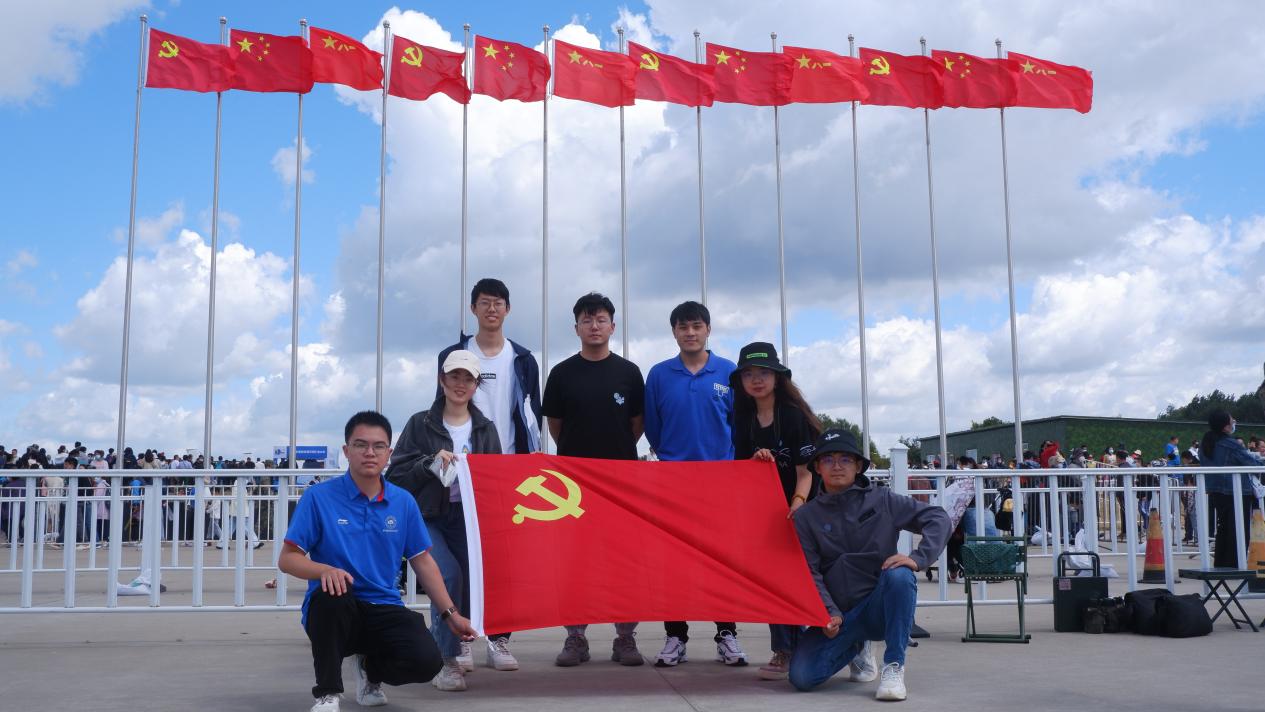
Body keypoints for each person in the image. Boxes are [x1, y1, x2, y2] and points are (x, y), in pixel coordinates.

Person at [279, 410, 475, 712]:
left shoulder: (403, 502)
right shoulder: (318, 497)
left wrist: (451, 615)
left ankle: (371, 671)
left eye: (378, 446)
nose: (369, 453)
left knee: (427, 662)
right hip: (335, 608)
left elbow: (423, 561)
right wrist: (324, 570)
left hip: (384, 605)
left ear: (389, 454)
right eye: (360, 445)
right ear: (346, 451)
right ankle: (328, 693)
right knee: (332, 597)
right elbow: (288, 559)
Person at [790, 429, 950, 701]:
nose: (837, 466)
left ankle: (894, 665)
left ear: (858, 466)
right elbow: (809, 571)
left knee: (900, 575)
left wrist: (918, 559)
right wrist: (829, 612)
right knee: (802, 677)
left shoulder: (883, 499)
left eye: (845, 459)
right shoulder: (806, 517)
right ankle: (857, 647)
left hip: (878, 607)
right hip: (840, 616)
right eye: (828, 459)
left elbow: (938, 518)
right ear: (817, 467)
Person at [434, 278, 541, 669]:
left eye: (498, 303)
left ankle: (499, 639)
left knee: (503, 562)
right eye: (484, 303)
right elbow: (440, 406)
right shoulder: (454, 354)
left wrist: (531, 461)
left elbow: (532, 415)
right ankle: (462, 640)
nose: (491, 309)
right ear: (473, 309)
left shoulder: (523, 359)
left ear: (507, 309)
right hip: (462, 475)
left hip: (508, 471)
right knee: (464, 561)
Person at [388, 350, 506, 690]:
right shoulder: (420, 423)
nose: (460, 384)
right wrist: (429, 463)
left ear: (477, 385)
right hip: (427, 516)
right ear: (442, 380)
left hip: (467, 518)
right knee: (448, 575)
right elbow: (396, 476)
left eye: (468, 378)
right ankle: (447, 660)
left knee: (473, 579)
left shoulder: (485, 428)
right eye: (454, 376)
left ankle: (466, 641)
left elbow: (496, 478)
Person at [541, 292, 646, 667]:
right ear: (576, 328)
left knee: (624, 562)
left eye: (601, 319)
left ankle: (625, 637)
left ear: (612, 326)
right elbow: (556, 426)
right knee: (575, 562)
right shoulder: (561, 374)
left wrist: (612, 461)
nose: (594, 326)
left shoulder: (629, 373)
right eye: (587, 320)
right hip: (573, 486)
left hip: (622, 484)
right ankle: (576, 637)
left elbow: (636, 425)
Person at [642, 301, 747, 667]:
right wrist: (673, 461)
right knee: (674, 562)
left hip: (720, 482)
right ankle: (675, 635)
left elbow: (739, 424)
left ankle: (727, 633)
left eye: (697, 326)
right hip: (673, 482)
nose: (690, 332)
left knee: (721, 560)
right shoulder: (659, 374)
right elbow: (653, 427)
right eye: (683, 327)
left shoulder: (729, 372)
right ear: (674, 332)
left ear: (708, 330)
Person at [729, 341, 819, 680]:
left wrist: (796, 507)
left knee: (804, 581)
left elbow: (807, 472)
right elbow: (740, 471)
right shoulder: (742, 418)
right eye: (748, 374)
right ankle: (785, 651)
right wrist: (756, 462)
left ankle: (816, 646)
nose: (756, 380)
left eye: (764, 373)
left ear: (777, 377)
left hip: (802, 507)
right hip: (765, 514)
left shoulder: (792, 415)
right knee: (775, 582)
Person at [1200, 410, 1265, 568]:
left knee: (1223, 527)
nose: (1234, 422)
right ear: (1225, 426)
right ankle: (1235, 563)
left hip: (1215, 490)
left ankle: (1221, 563)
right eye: (1231, 420)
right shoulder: (1230, 444)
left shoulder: (1206, 442)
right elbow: (1253, 464)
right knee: (1239, 529)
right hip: (1237, 491)